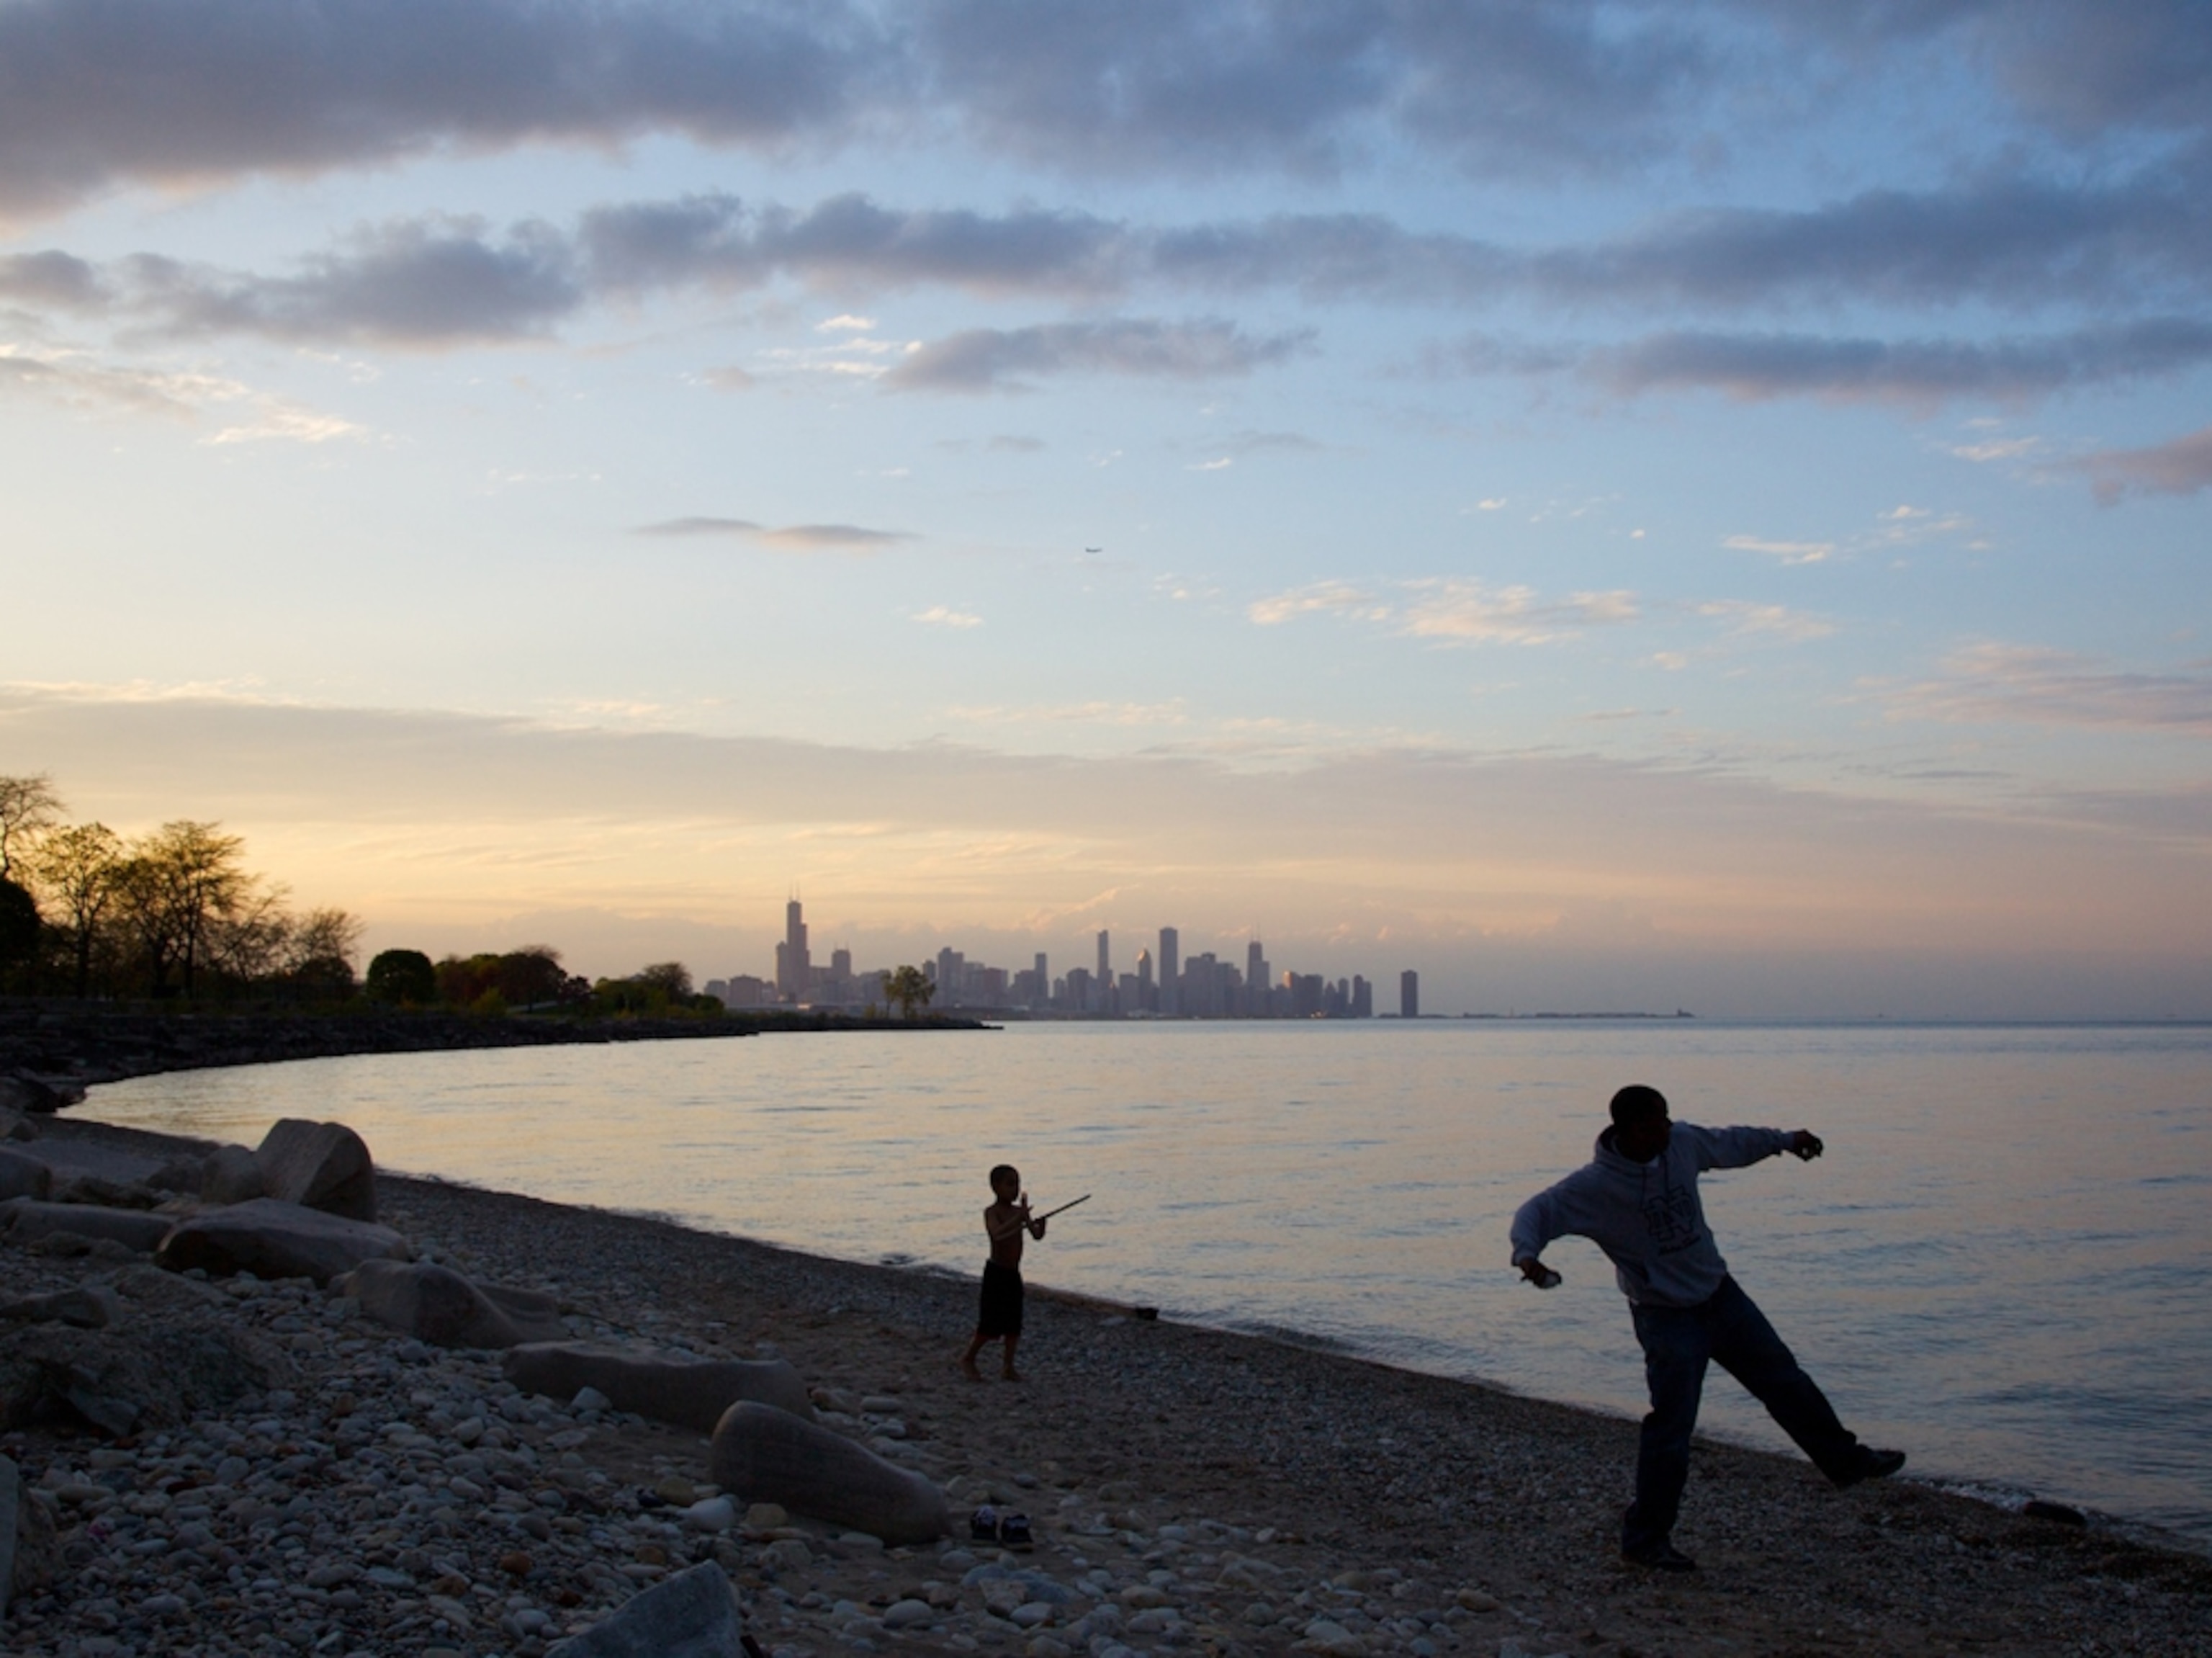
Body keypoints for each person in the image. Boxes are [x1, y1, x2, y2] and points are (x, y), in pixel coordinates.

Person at [1510, 1083, 1905, 1572]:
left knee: (1785, 1380)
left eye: (1667, 1118)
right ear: (1630, 1128)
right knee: (1671, 1429)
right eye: (1656, 1121)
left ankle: (1847, 1462)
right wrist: (1527, 1255)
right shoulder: (1592, 1188)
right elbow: (1537, 1212)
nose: (1667, 1128)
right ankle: (1646, 1539)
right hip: (1665, 1317)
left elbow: (1730, 1143)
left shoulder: (1681, 1144)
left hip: (1720, 1295)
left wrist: (1785, 1140)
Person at [961, 1163, 1048, 1382]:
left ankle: (1008, 1367)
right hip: (996, 1273)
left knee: (1013, 1322)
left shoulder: (1019, 1212)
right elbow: (997, 1234)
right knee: (990, 1322)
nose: (1015, 1189)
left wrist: (1041, 1225)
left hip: (1013, 1273)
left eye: (1017, 1184)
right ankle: (969, 1358)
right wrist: (1019, 1219)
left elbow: (1036, 1235)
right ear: (995, 1187)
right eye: (1010, 1184)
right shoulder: (992, 1212)